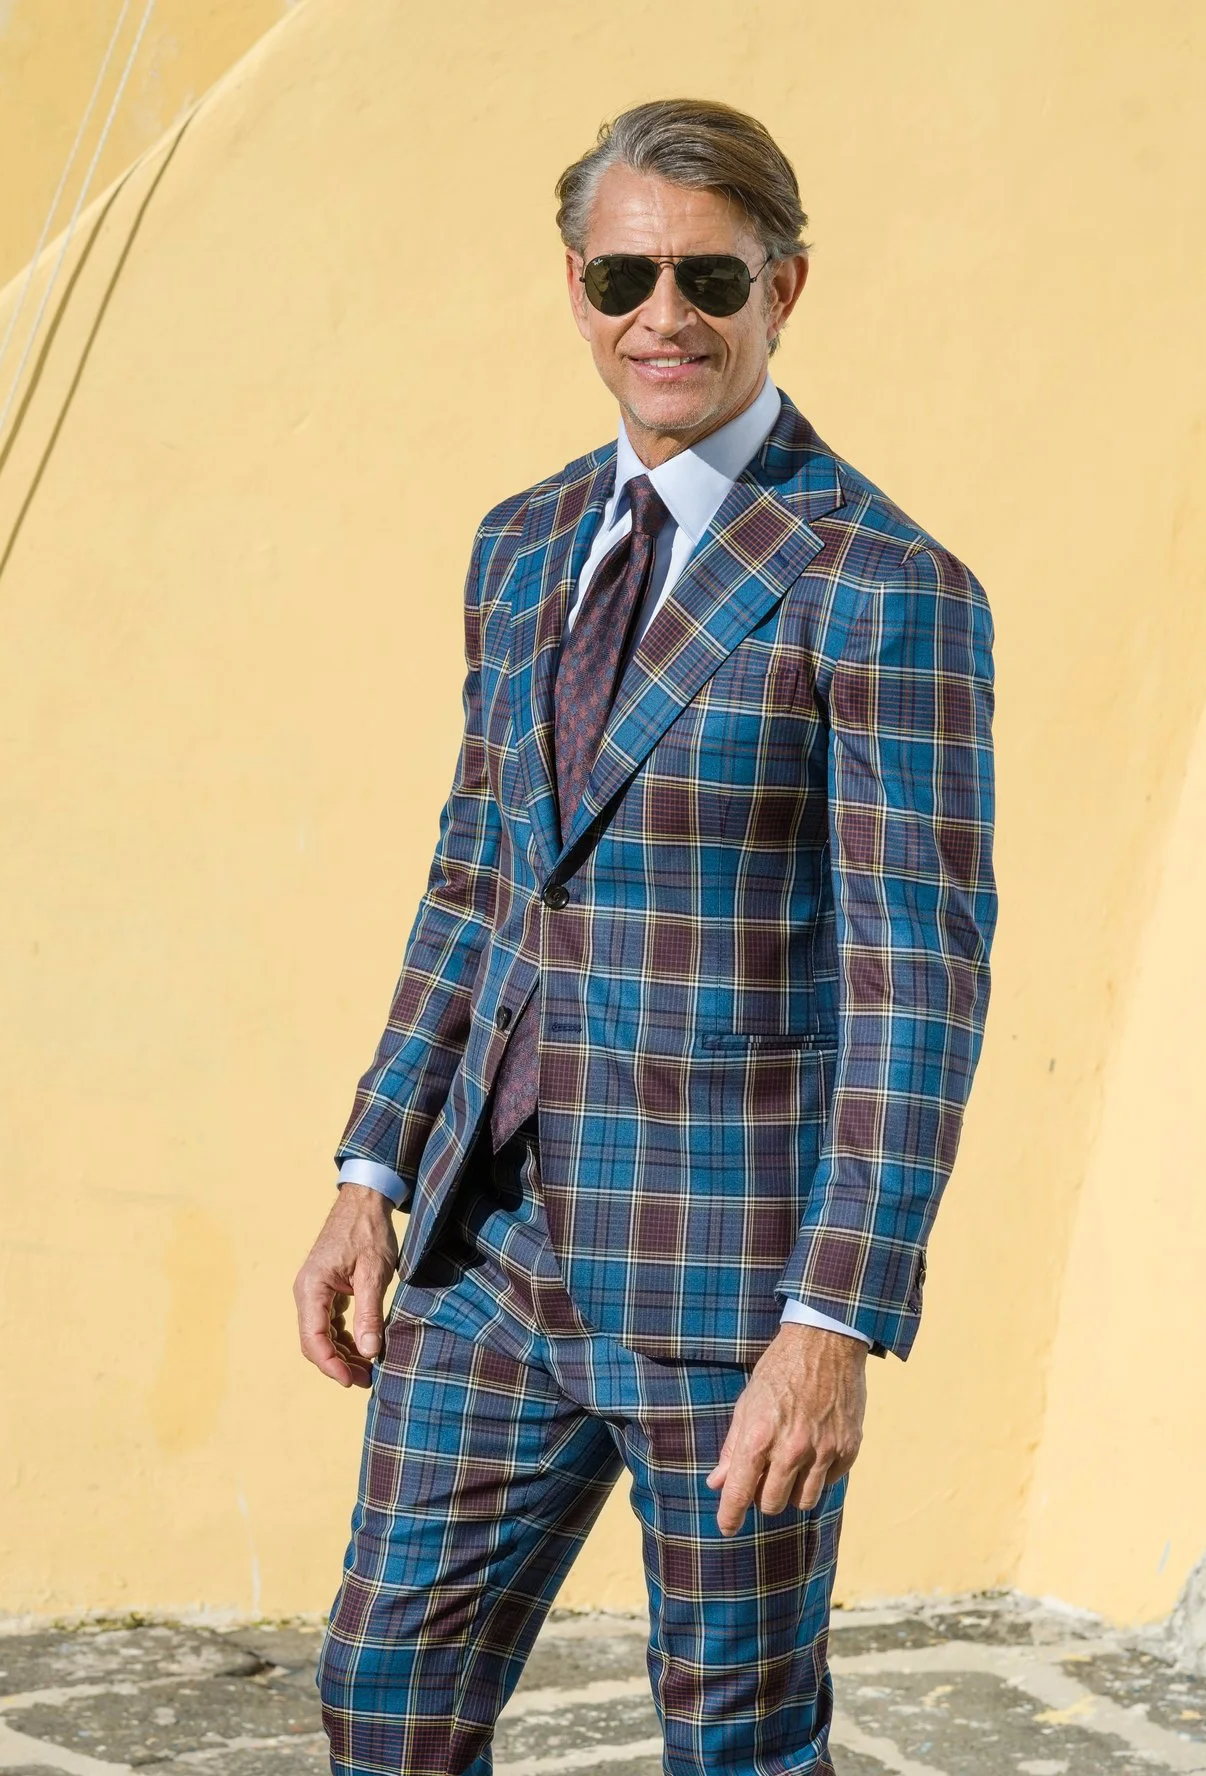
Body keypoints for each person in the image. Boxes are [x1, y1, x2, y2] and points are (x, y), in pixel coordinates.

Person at [293, 99, 998, 1776]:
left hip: (732, 1286)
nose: (661, 316)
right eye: (624, 274)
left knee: (737, 1748)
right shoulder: (523, 545)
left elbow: (922, 986)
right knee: (381, 1700)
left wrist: (834, 1328)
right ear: (576, 286)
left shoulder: (883, 585)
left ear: (786, 288)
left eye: (709, 276)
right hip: (491, 1255)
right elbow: (477, 878)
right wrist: (373, 1172)